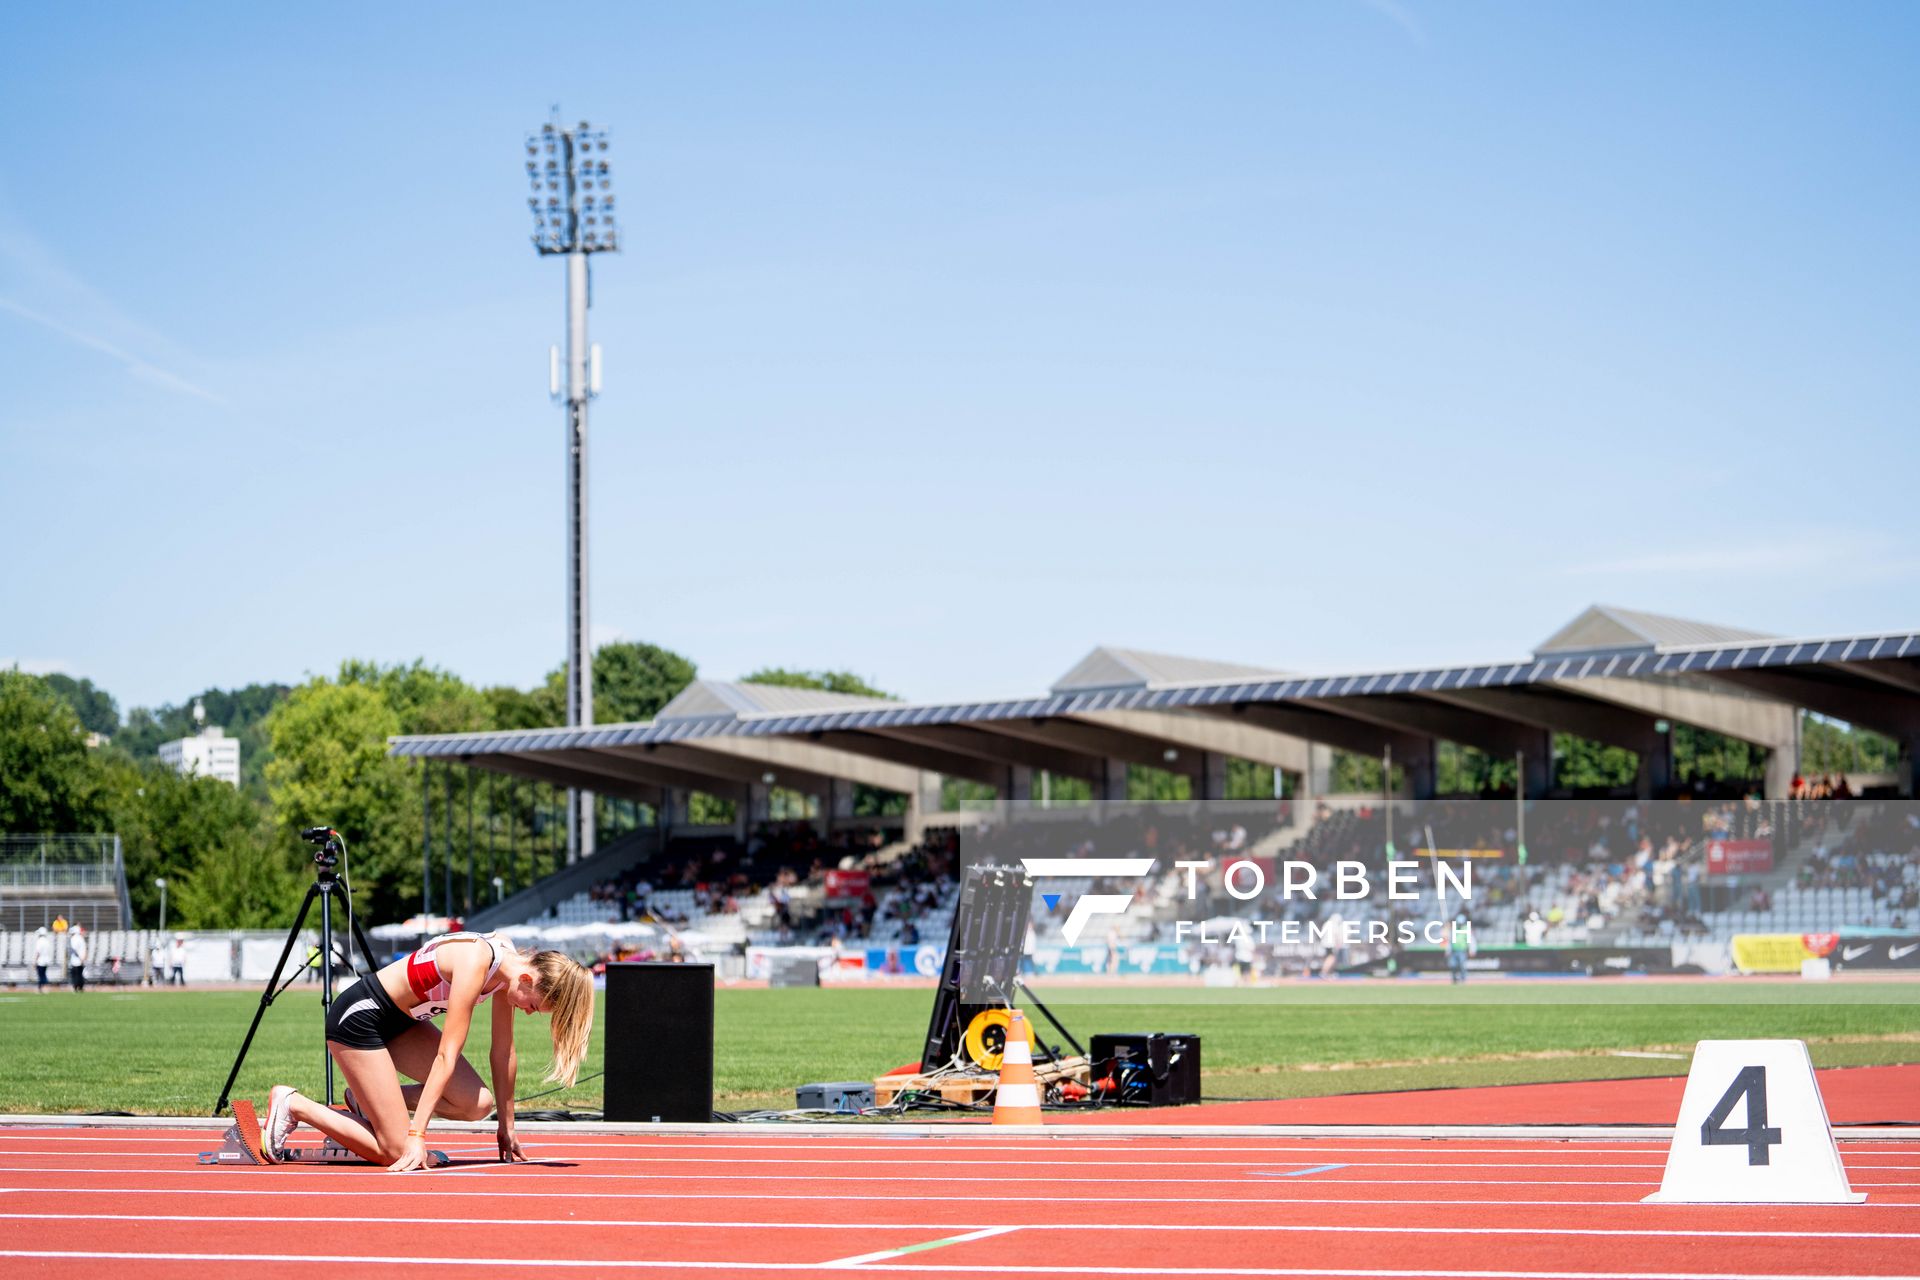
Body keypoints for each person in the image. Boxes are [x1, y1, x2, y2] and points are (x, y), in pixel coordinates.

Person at [256, 930, 593, 1172]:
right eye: (534, 1007)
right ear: (528, 980)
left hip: (403, 1023)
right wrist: (417, 1135)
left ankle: (367, 1103)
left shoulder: (510, 969)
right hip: (361, 1017)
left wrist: (507, 1125)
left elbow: (503, 1052)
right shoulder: (477, 961)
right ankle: (294, 1104)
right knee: (396, 1151)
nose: (528, 1012)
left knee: (478, 1104)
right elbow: (446, 1054)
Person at [67, 925, 88, 992]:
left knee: (75, 975)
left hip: (76, 960)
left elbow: (74, 949)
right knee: (80, 974)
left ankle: (76, 987)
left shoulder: (74, 938)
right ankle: (81, 987)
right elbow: (84, 949)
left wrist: (80, 957)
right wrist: (83, 958)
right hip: (81, 959)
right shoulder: (81, 938)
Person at [32, 927, 52, 993]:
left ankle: (43, 988)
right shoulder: (47, 941)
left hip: (40, 961)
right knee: (43, 974)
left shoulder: (39, 941)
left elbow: (38, 952)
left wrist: (35, 961)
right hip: (46, 960)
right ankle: (41, 988)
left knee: (41, 975)